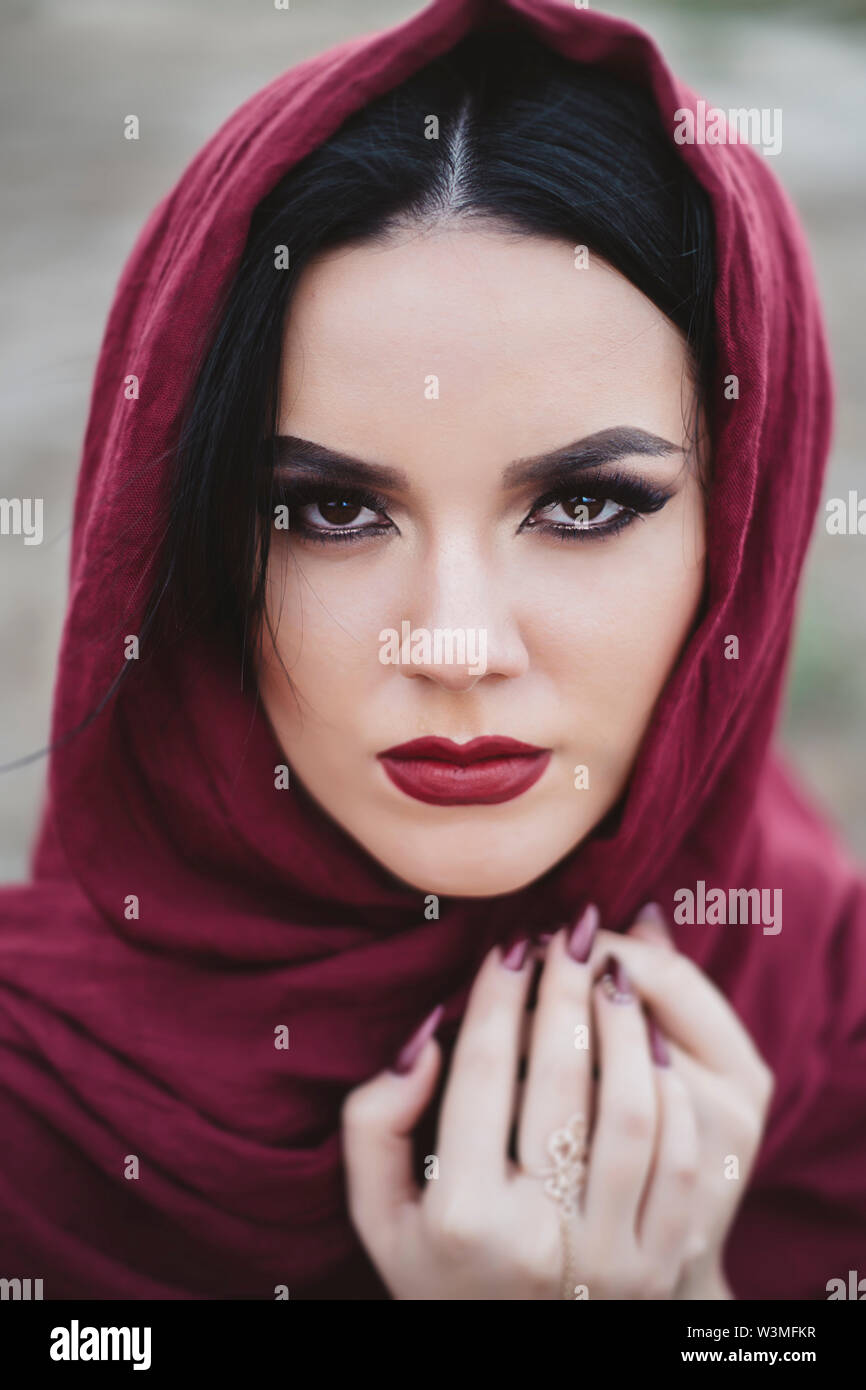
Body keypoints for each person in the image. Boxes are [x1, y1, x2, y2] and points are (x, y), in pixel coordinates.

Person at [0, 0, 862, 1301]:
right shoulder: (33, 1136)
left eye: (582, 504)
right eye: (330, 509)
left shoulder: (828, 1011)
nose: (454, 643)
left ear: (742, 523)